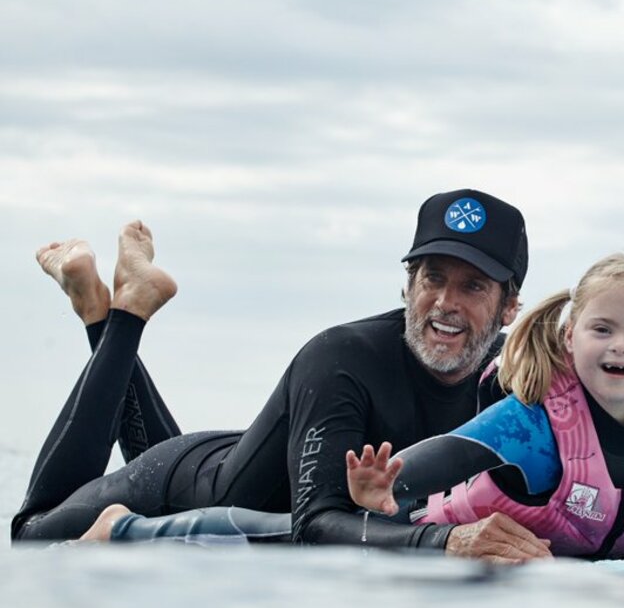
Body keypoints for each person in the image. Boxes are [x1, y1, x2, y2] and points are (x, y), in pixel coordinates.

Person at [11, 190, 556, 562]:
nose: (444, 303)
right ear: (409, 285)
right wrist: (448, 543)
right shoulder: (344, 357)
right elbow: (312, 526)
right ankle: (123, 317)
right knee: (31, 535)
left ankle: (108, 306)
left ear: (511, 307)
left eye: (473, 287)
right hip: (176, 489)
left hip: (245, 466)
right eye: (432, 278)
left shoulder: (515, 376)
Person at [344, 254, 624, 557]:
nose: (620, 345)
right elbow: (450, 452)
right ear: (569, 337)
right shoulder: (533, 425)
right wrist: (382, 485)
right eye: (602, 329)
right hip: (426, 550)